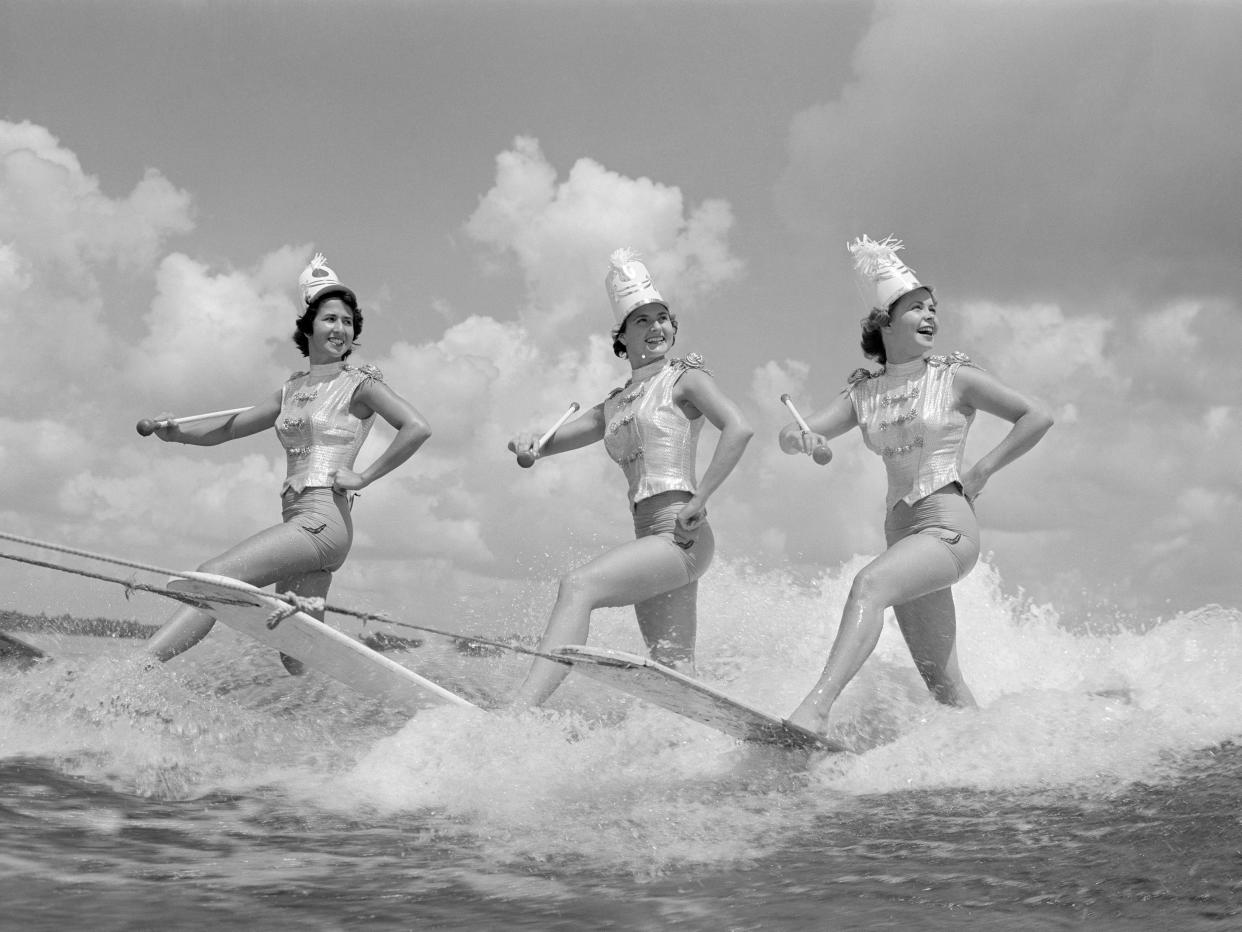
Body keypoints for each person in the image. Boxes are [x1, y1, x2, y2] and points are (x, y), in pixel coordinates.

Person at [779, 235, 1053, 738]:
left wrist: (981, 471)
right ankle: (991, 756)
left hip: (947, 526)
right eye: (916, 308)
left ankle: (815, 710)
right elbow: (797, 432)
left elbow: (1037, 416)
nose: (931, 316)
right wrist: (801, 438)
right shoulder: (864, 391)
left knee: (869, 585)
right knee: (943, 686)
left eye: (933, 308)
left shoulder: (955, 376)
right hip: (902, 536)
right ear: (884, 321)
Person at [146, 254, 432, 670]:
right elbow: (230, 428)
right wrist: (175, 435)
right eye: (331, 319)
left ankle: (130, 673)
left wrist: (364, 476)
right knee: (293, 655)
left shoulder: (360, 385)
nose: (341, 329)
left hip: (321, 519)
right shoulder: (291, 389)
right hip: (299, 521)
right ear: (309, 326)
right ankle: (337, 681)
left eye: (348, 322)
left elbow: (417, 427)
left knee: (212, 579)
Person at [507, 248, 753, 707]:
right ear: (622, 337)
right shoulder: (615, 404)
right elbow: (543, 446)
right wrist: (525, 444)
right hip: (649, 537)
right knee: (673, 673)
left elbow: (739, 428)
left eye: (663, 317)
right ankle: (700, 753)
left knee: (578, 587)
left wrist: (699, 502)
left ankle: (520, 709)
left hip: (682, 534)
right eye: (642, 320)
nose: (657, 327)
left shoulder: (686, 379)